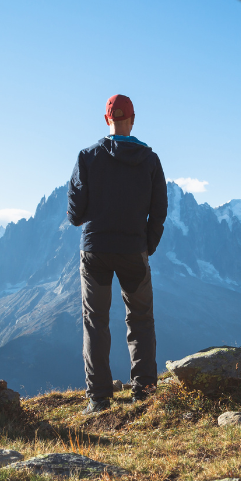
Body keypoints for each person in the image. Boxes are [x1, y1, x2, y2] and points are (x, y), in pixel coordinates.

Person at [66, 94, 167, 414]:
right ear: (133, 120)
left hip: (95, 250)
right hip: (133, 250)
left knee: (95, 323)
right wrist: (146, 245)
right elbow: (160, 209)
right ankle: (144, 391)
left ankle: (98, 399)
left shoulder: (87, 157)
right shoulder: (150, 159)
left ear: (106, 119)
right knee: (140, 320)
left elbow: (74, 214)